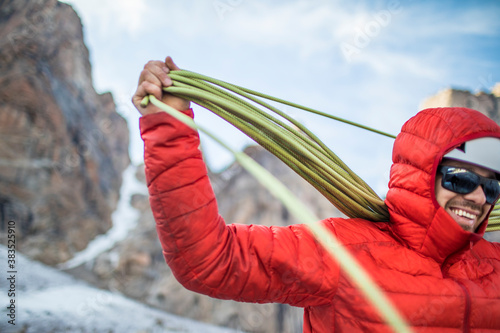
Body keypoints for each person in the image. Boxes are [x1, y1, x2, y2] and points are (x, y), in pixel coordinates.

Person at [132, 57, 500, 332]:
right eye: (462, 180)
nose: (481, 198)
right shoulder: (343, 253)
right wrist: (170, 126)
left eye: (493, 185)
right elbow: (210, 260)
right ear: (422, 173)